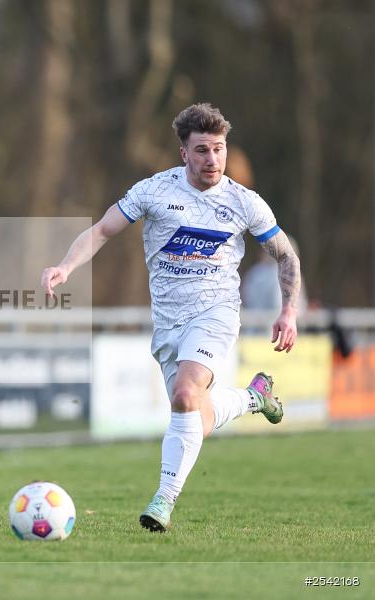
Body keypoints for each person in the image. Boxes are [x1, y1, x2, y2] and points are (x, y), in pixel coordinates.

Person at [41, 103, 302, 532]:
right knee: (194, 416)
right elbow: (103, 230)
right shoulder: (153, 191)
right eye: (201, 150)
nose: (212, 159)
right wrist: (65, 267)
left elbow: (285, 256)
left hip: (216, 314)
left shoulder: (243, 202)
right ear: (184, 153)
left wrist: (288, 309)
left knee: (185, 393)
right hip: (167, 322)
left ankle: (162, 501)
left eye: (218, 149)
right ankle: (255, 396)